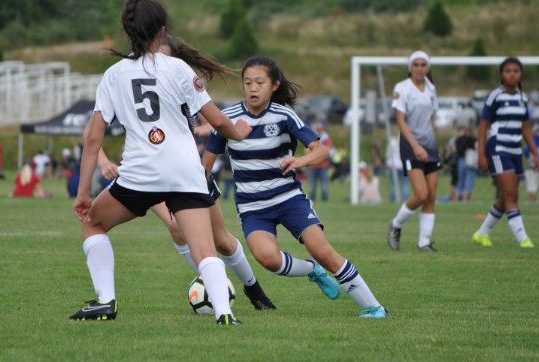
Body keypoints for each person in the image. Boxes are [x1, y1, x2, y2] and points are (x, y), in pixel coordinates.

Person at [69, 0, 253, 325]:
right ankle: (224, 313)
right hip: (185, 172)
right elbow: (219, 121)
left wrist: (84, 193)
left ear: (128, 31)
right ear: (163, 31)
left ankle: (105, 302)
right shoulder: (179, 68)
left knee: (93, 223)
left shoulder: (114, 75)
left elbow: (93, 138)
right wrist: (237, 133)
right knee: (203, 247)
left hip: (140, 174)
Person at [87, 34, 276, 311]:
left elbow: (210, 122)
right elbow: (91, 133)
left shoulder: (180, 79)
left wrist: (212, 130)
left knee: (221, 239)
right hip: (148, 172)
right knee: (177, 228)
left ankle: (252, 289)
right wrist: (103, 162)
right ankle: (215, 289)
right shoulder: (130, 81)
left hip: (187, 170)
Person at [203, 55, 389, 318]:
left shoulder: (284, 115)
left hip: (289, 199)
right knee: (268, 259)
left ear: (274, 85)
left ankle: (375, 308)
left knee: (323, 250)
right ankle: (312, 270)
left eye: (260, 82)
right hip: (253, 207)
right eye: (247, 82)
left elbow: (321, 152)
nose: (253, 88)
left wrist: (300, 160)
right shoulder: (228, 119)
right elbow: (206, 167)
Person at [473, 57, 539, 248]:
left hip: (515, 151)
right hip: (498, 149)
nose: (512, 74)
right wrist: (481, 154)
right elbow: (483, 125)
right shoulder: (495, 96)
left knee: (506, 197)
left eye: (516, 71)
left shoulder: (522, 98)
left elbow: (526, 128)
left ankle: (482, 233)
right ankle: (523, 239)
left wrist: (535, 153)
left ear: (521, 74)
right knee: (511, 194)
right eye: (508, 71)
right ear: (502, 74)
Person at [387, 51, 440, 252]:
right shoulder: (402, 88)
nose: (419, 68)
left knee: (432, 195)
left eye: (423, 64)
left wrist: (433, 143)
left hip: (430, 147)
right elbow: (400, 120)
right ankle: (396, 225)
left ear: (428, 67)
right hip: (411, 146)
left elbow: (431, 118)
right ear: (410, 67)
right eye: (416, 64)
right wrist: (416, 146)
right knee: (421, 193)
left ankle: (423, 243)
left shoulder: (431, 88)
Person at [307, 122, 332, 201]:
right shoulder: (310, 138)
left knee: (324, 187)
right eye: (318, 129)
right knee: (312, 187)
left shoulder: (327, 139)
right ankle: (312, 201)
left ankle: (325, 201)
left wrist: (315, 151)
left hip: (323, 166)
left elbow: (327, 151)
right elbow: (307, 151)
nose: (319, 130)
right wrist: (321, 151)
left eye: (321, 129)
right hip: (313, 166)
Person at [455, 127, 478, 202]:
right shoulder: (473, 139)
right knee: (469, 180)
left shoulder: (459, 139)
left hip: (461, 160)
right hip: (470, 161)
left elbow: (454, 149)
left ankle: (455, 199)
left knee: (460, 180)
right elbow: (478, 147)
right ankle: (465, 200)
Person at [443, 128, 465, 202]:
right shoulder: (455, 140)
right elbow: (449, 151)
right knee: (455, 182)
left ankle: (456, 198)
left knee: (458, 181)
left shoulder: (455, 139)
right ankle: (453, 199)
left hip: (456, 162)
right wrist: (446, 161)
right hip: (455, 163)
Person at [386, 133, 410, 203]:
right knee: (404, 184)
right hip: (403, 165)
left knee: (394, 184)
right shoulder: (407, 141)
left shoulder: (392, 142)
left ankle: (394, 200)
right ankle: (405, 200)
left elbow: (388, 154)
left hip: (393, 165)